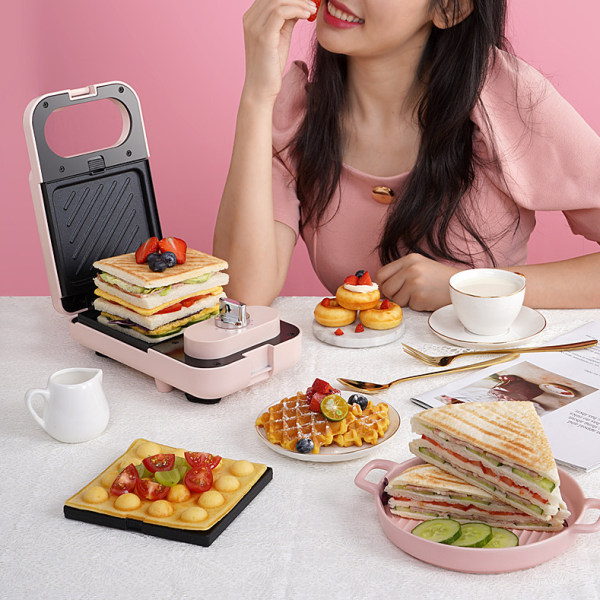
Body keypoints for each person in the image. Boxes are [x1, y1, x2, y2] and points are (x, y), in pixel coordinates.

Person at [213, 0, 600, 311]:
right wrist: (257, 95)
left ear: (449, 8)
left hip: (483, 382)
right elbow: (248, 291)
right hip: (363, 390)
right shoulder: (294, 115)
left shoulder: (504, 97)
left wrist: (465, 288)